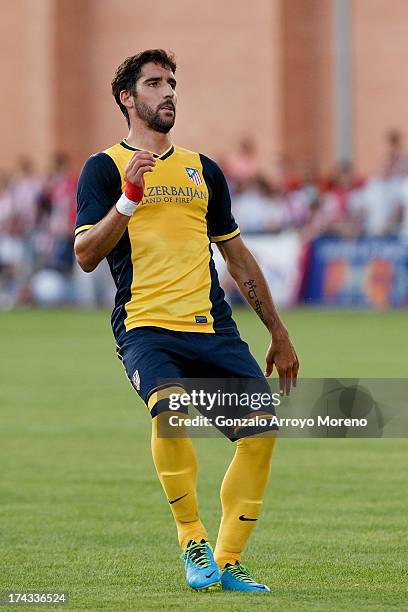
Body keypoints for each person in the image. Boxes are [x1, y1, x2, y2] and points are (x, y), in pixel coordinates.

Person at [74, 49, 299, 593]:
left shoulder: (204, 170)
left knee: (261, 432)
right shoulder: (104, 168)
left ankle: (227, 561)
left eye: (172, 82)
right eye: (154, 83)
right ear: (127, 98)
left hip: (211, 326)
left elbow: (237, 256)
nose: (168, 91)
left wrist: (279, 332)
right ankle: (192, 540)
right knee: (170, 411)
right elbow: (85, 254)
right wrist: (128, 200)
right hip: (145, 325)